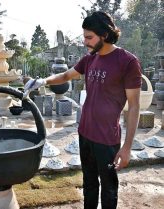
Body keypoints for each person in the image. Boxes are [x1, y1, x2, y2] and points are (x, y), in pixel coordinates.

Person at [24, 11, 142, 209]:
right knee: (89, 183)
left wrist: (127, 147)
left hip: (107, 139)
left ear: (104, 35)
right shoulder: (89, 59)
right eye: (84, 37)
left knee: (109, 188)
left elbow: (135, 106)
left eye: (89, 37)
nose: (85, 42)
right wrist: (42, 81)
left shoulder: (127, 62)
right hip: (85, 134)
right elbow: (65, 75)